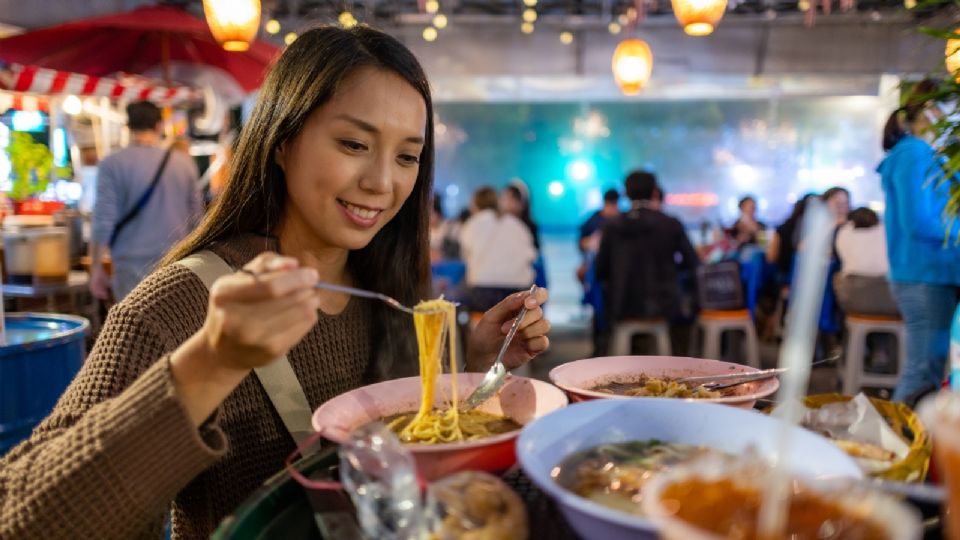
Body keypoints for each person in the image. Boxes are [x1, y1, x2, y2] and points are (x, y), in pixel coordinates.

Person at [0, 26, 551, 539]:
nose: (383, 181)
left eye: (407, 156)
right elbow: (20, 518)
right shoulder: (183, 305)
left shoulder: (391, 290)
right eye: (354, 145)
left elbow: (409, 443)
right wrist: (213, 359)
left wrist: (478, 363)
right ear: (282, 141)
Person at [879, 102, 960, 403]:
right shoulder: (914, 152)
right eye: (941, 109)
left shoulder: (920, 153)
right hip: (924, 275)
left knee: (928, 368)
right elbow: (917, 220)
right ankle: (901, 446)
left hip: (929, 274)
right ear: (925, 114)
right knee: (923, 370)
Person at [90, 100, 203, 301]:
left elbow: (103, 221)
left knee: (133, 329)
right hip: (176, 263)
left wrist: (96, 267)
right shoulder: (184, 164)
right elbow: (197, 218)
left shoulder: (111, 164)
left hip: (130, 267)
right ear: (159, 126)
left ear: (128, 126)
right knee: (176, 328)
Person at [596, 170, 699, 326]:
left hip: (622, 304)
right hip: (665, 305)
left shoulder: (612, 226)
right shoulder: (670, 224)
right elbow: (692, 262)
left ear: (626, 193)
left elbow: (600, 269)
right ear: (654, 191)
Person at [460, 186, 537, 312]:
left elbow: (465, 256)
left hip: (482, 290)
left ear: (475, 204)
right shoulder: (516, 224)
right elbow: (531, 256)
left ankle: (469, 329)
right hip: (518, 289)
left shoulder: (472, 224)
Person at [833, 207, 898, 317]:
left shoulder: (845, 231)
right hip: (892, 302)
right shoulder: (888, 231)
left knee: (838, 276)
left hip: (855, 301)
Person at [578, 188, 620, 256]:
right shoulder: (593, 220)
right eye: (611, 205)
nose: (614, 208)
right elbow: (581, 244)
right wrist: (592, 243)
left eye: (615, 205)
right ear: (605, 203)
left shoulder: (621, 220)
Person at [500, 180, 540, 251]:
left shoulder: (530, 228)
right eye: (504, 199)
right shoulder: (498, 226)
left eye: (512, 199)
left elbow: (535, 255)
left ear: (523, 204)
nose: (507, 204)